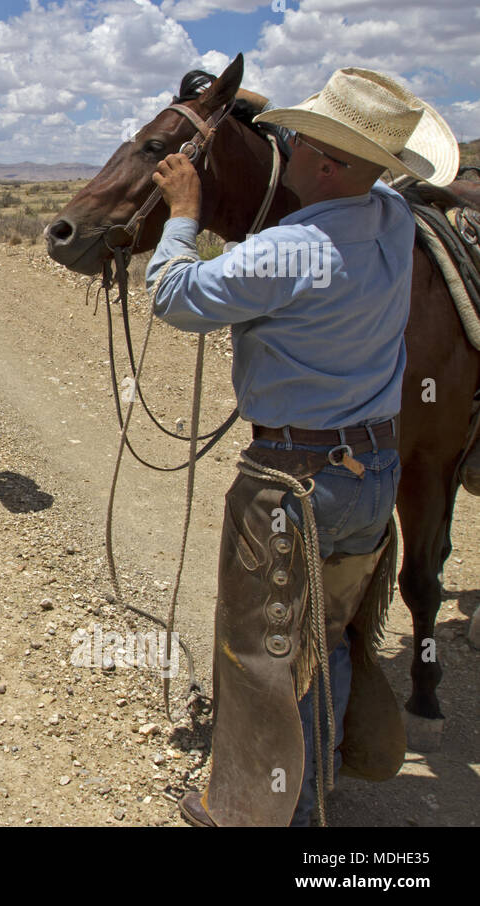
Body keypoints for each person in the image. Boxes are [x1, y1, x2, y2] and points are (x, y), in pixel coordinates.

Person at [144, 68, 458, 826]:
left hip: (292, 480)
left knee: (263, 649)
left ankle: (253, 809)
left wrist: (183, 214)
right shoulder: (391, 217)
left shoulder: (285, 252)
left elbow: (173, 296)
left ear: (319, 161)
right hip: (371, 474)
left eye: (303, 140)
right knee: (330, 633)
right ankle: (317, 782)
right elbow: (343, 173)